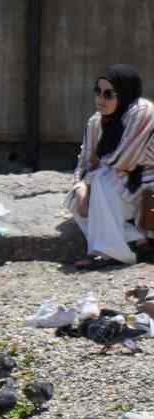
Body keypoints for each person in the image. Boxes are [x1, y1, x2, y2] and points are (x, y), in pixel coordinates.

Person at [69, 65, 154, 270]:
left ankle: (108, 252)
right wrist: (80, 186)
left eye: (109, 94)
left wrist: (90, 177)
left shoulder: (143, 112)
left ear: (124, 93)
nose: (101, 99)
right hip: (122, 191)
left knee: (102, 178)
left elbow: (125, 160)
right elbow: (84, 163)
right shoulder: (96, 122)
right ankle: (137, 240)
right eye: (97, 92)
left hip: (146, 190)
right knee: (74, 199)